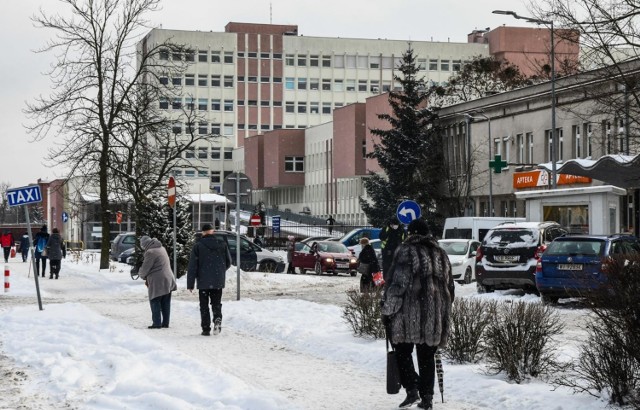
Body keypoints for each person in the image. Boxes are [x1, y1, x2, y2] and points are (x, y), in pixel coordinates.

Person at [381, 218, 454, 410]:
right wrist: (443, 311)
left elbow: (398, 284)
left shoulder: (406, 251)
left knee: (403, 352)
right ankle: (427, 398)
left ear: (411, 233)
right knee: (426, 357)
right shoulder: (441, 253)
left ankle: (412, 390)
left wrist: (387, 310)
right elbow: (450, 287)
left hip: (408, 315)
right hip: (433, 315)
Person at [187, 224, 232, 336]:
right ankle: (217, 319)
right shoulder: (222, 244)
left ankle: (206, 328)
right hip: (218, 280)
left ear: (203, 232)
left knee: (204, 305)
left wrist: (190, 283)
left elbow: (193, 266)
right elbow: (228, 262)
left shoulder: (198, 246)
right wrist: (220, 271)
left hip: (203, 281)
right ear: (213, 231)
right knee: (216, 303)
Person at [138, 235, 178, 329]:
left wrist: (141, 274)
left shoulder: (150, 252)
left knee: (154, 300)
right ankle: (165, 323)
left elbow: (145, 268)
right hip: (168, 278)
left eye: (143, 246)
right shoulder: (161, 248)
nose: (143, 248)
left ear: (145, 244)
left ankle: (157, 323)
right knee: (165, 301)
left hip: (158, 280)